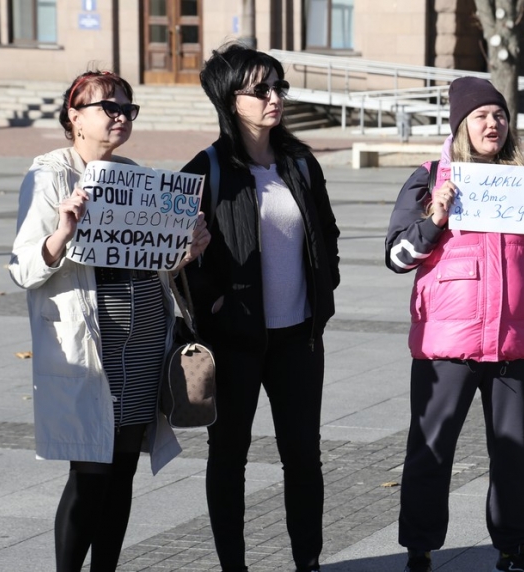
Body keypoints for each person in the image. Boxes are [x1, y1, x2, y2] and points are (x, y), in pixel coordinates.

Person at [8, 70, 211, 571]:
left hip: (142, 343)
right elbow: (25, 267)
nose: (121, 115)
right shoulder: (49, 175)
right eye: (109, 107)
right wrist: (63, 231)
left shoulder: (135, 174)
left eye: (128, 108)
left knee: (123, 472)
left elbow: (150, 262)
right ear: (74, 116)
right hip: (90, 351)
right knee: (90, 472)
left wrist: (185, 251)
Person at [385, 77, 524, 572]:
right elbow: (397, 256)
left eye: (499, 115)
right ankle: (420, 550)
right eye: (481, 116)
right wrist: (434, 220)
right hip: (446, 345)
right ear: (460, 126)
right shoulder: (429, 179)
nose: (493, 124)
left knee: (513, 458)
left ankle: (514, 548)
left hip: (515, 345)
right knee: (431, 452)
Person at [179, 43, 340, 572]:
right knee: (229, 459)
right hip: (235, 343)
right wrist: (214, 301)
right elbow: (177, 258)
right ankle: (234, 567)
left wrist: (323, 292)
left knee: (303, 457)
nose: (275, 98)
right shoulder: (204, 170)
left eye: (279, 87)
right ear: (230, 100)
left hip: (298, 337)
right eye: (261, 90)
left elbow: (327, 235)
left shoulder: (300, 164)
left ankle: (308, 562)